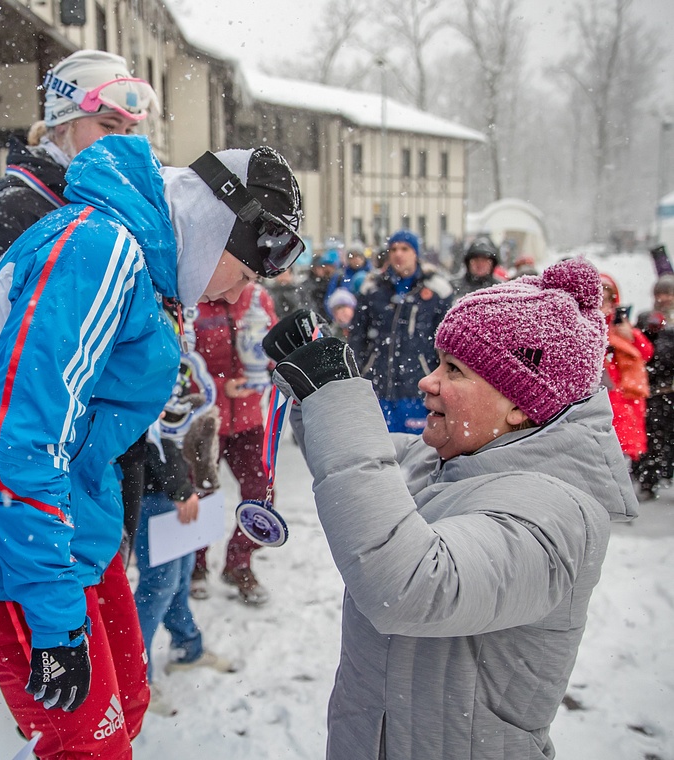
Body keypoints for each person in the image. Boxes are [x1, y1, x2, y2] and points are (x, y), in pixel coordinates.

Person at [0, 138, 303, 759]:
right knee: (88, 750)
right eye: (246, 272)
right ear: (216, 224)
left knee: (127, 711)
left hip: (74, 536)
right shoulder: (101, 251)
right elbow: (21, 443)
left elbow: (94, 428)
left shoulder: (148, 270)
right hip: (10, 550)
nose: (235, 296)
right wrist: (54, 618)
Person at [268, 257, 637, 760]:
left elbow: (409, 586)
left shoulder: (557, 513)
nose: (428, 381)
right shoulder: (450, 460)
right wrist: (318, 394)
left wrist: (336, 399)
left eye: (454, 370)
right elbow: (357, 477)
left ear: (519, 405)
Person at [0, 49, 158, 343]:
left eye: (129, 130)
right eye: (108, 126)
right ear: (64, 123)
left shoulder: (114, 203)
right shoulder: (18, 208)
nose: (121, 143)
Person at [134, 419, 235, 718]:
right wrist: (177, 484)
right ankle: (136, 678)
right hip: (153, 489)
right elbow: (153, 430)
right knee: (157, 587)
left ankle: (186, 649)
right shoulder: (148, 374)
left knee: (177, 579)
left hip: (174, 486)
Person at [189, 282, 278, 605]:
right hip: (205, 420)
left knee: (261, 493)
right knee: (200, 493)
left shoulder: (256, 296)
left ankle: (240, 562)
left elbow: (274, 347)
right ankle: (195, 565)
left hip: (251, 418)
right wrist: (220, 385)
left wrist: (269, 370)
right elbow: (181, 365)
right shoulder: (193, 301)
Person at [349, 229, 453, 433]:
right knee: (379, 448)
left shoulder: (437, 290)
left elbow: (445, 343)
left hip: (418, 385)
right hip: (377, 385)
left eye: (405, 249)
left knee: (417, 451)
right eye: (394, 249)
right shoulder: (372, 288)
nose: (398, 254)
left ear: (416, 253)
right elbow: (357, 335)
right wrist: (358, 371)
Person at [599, 273, 653, 464]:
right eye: (600, 298)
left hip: (624, 397)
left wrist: (631, 337)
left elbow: (646, 352)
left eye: (608, 299)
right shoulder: (588, 324)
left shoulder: (621, 325)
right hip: (603, 394)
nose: (604, 304)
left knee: (621, 457)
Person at [636, 306, 674, 498]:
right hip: (652, 396)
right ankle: (649, 481)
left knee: (660, 440)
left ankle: (654, 478)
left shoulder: (667, 335)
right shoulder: (644, 332)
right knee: (653, 440)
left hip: (664, 394)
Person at [450, 235, 503, 301]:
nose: (480, 264)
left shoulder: (500, 289)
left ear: (492, 264)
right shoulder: (453, 287)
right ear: (468, 263)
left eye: (484, 260)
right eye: (476, 260)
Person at [324, 245, 370, 310]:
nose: (355, 260)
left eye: (358, 256)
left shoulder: (372, 276)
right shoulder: (340, 277)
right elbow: (329, 301)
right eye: (352, 257)